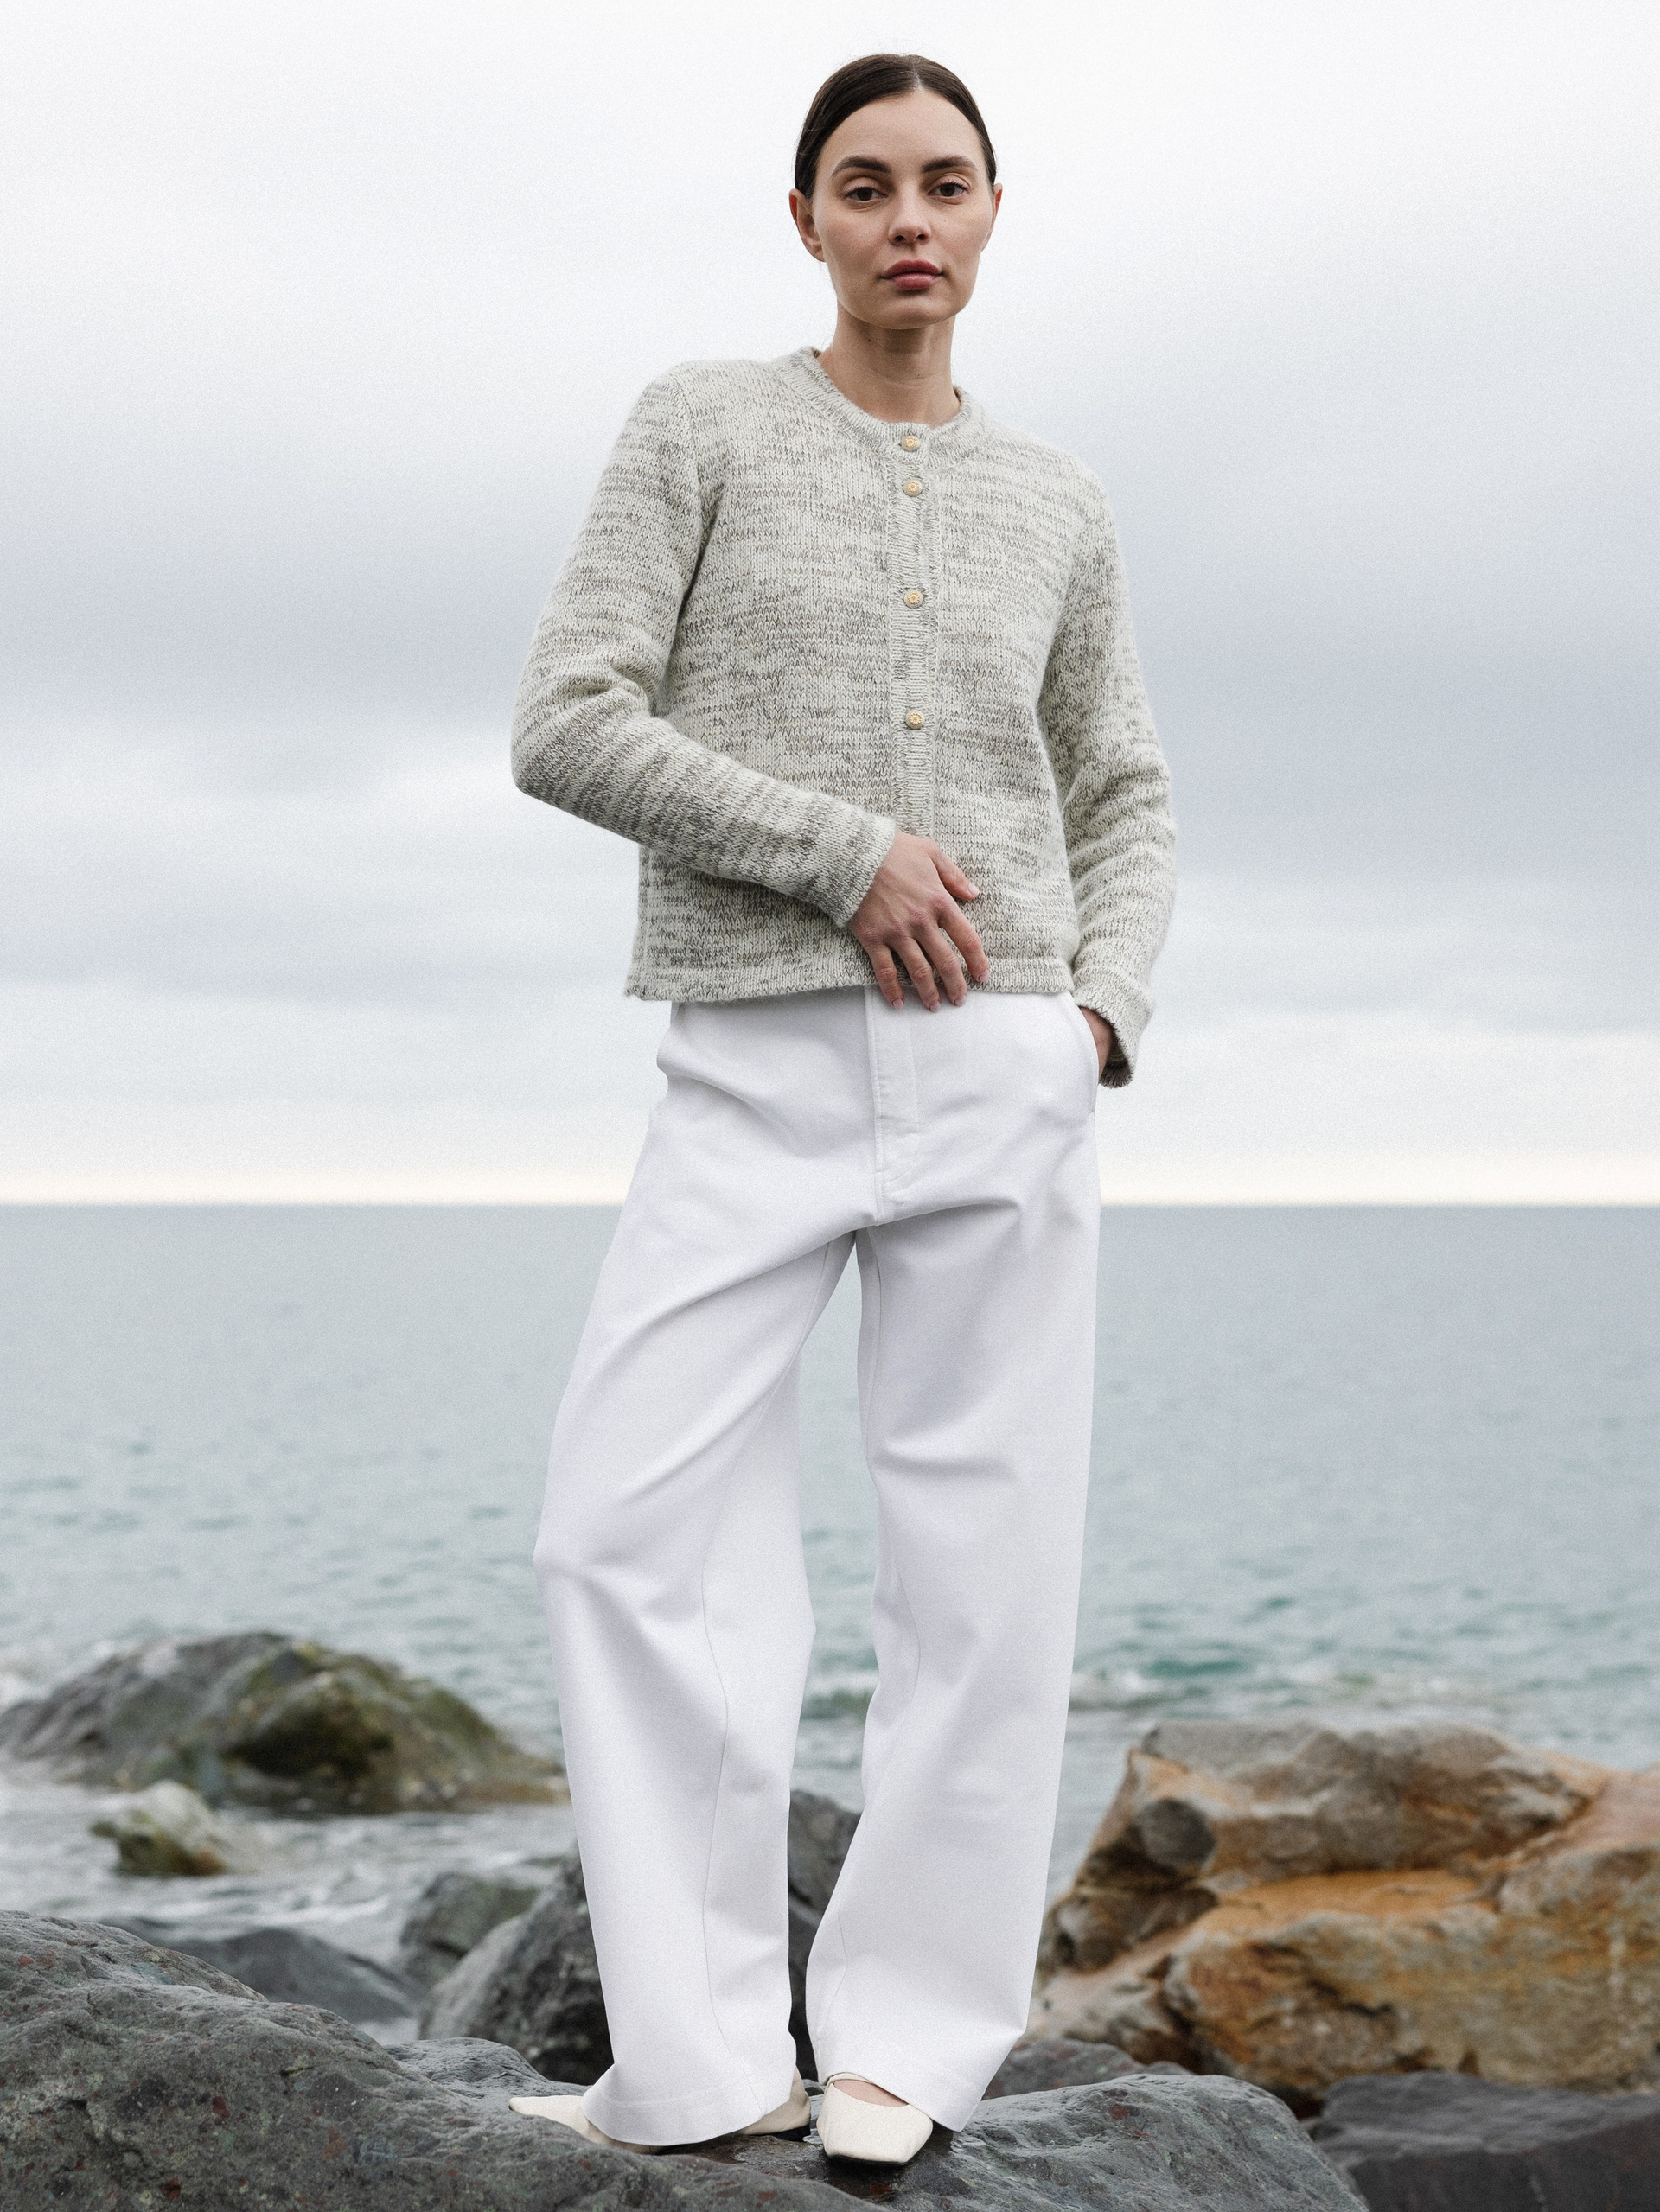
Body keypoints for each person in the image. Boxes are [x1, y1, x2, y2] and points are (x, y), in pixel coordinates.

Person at [504, 52, 1175, 2167]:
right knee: (622, 1531)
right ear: (805, 216)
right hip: (756, 1060)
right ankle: (702, 2056)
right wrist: (842, 852)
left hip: (1006, 1071)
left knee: (985, 1574)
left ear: (992, 216)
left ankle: (910, 2045)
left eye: (945, 183)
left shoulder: (1060, 498)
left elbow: (1124, 788)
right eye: (866, 184)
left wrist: (1102, 1017)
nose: (909, 219)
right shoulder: (700, 424)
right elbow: (566, 719)